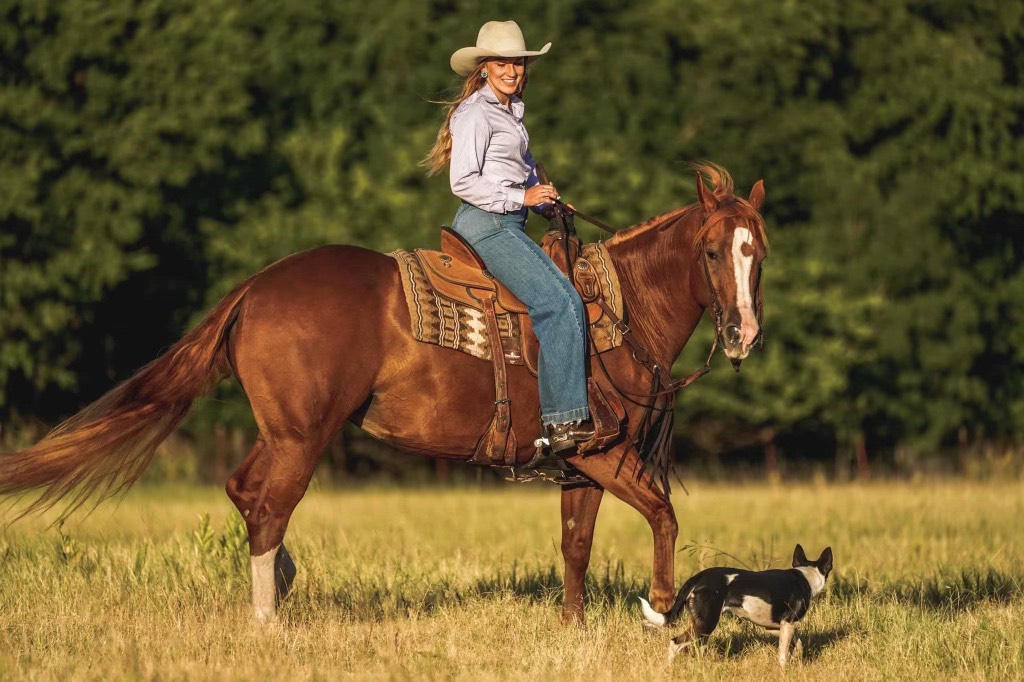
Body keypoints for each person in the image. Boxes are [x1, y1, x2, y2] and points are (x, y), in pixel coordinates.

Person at [421, 20, 593, 454]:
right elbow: (463, 181)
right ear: (483, 68)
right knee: (560, 302)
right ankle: (561, 424)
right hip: (488, 224)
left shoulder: (511, 111)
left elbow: (523, 168)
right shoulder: (476, 113)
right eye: (502, 63)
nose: (512, 71)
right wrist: (522, 196)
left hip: (509, 220)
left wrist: (545, 201)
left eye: (517, 62)